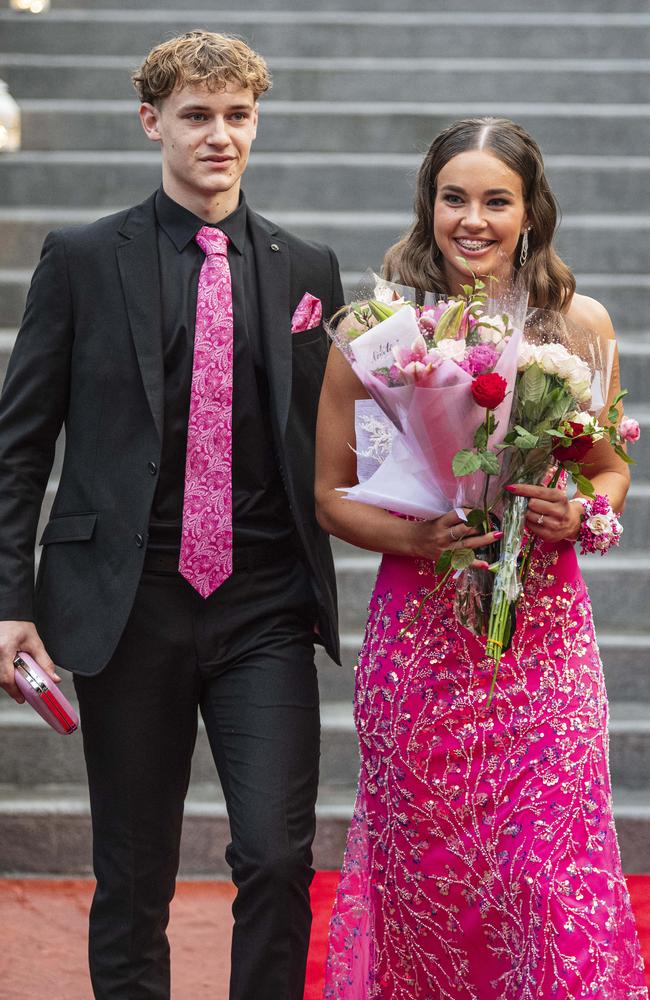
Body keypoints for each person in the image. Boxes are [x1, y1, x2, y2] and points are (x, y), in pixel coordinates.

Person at [0, 30, 344, 1000]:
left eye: (237, 116)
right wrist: (8, 597)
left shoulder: (305, 268)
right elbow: (19, 446)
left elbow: (335, 444)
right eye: (197, 116)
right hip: (128, 600)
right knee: (134, 877)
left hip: (263, 603)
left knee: (277, 857)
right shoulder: (78, 260)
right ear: (152, 121)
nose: (219, 136)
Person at [316, 117, 647, 998]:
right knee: (430, 882)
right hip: (421, 644)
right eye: (453, 197)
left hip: (541, 646)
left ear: (530, 211)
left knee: (548, 879)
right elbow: (331, 494)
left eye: (495, 199)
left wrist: (574, 512)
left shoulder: (579, 325)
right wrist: (421, 537)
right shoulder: (378, 329)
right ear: (427, 207)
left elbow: (611, 470)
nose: (473, 219)